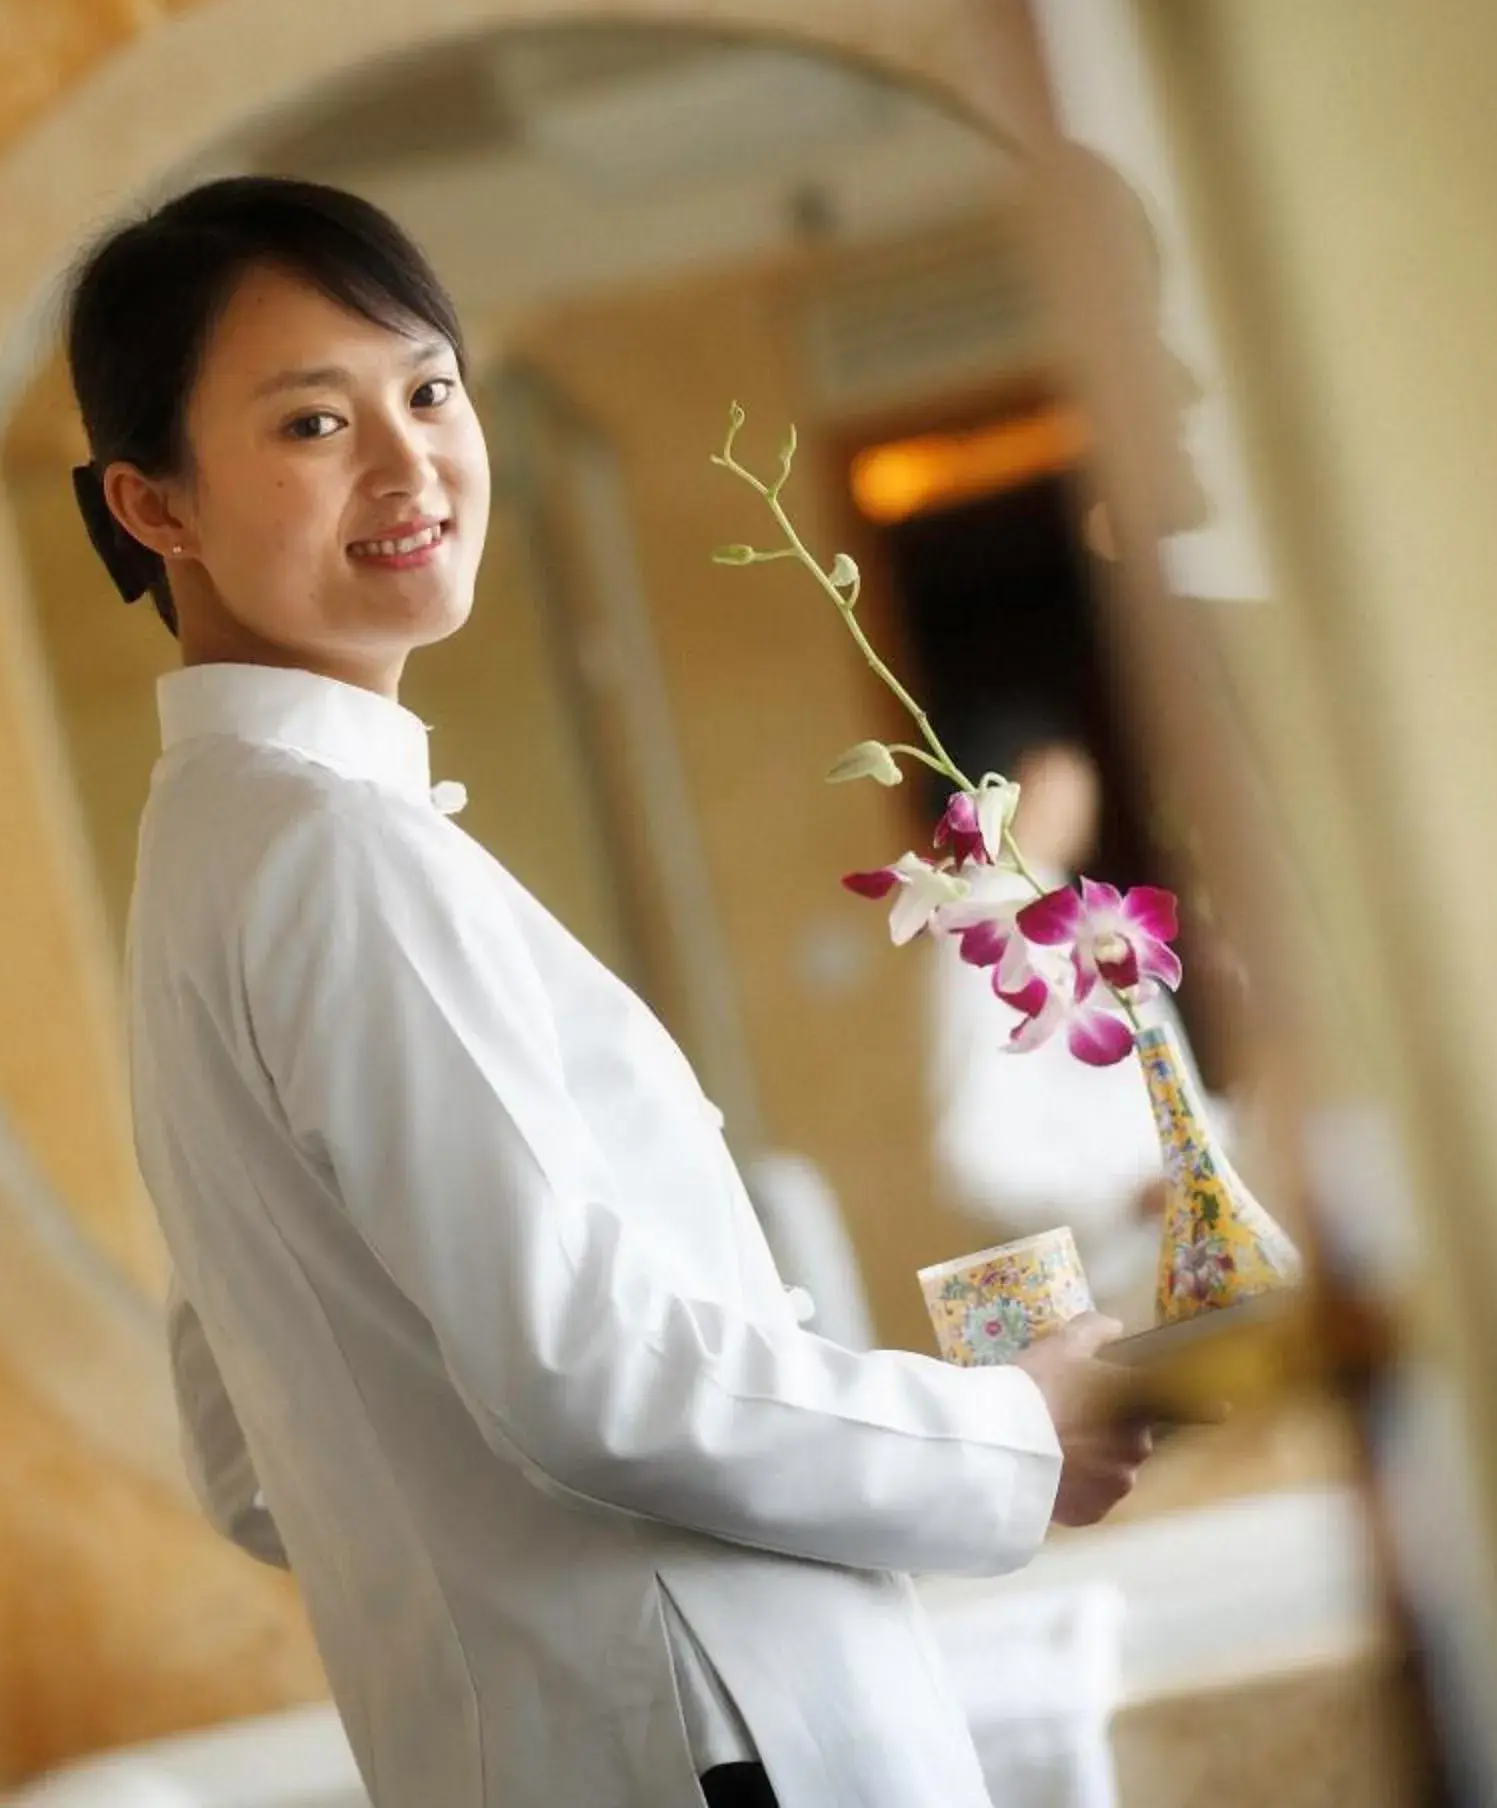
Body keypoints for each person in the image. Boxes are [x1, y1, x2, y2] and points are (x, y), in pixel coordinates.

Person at [72, 176, 1154, 1808]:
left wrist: (480, 1573)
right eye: (312, 424)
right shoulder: (333, 855)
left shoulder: (211, 858)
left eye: (429, 390)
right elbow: (592, 1377)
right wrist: (1007, 1436)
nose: (410, 462)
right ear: (154, 507)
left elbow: (257, 1462)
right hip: (714, 1754)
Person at [926, 717, 1175, 1324]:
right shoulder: (988, 934)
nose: (1079, 800)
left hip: (1170, 1242)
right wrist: (1121, 1199)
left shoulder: (1091, 915)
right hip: (1109, 1276)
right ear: (1006, 793)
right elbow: (973, 1151)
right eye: (1056, 781)